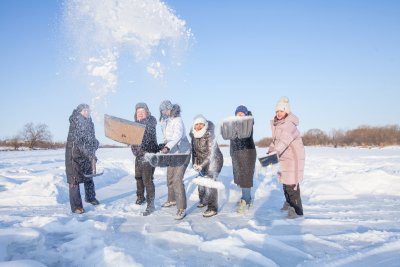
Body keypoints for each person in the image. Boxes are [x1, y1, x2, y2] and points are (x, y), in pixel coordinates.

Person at [267, 96, 305, 219]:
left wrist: (274, 153)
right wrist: (270, 151)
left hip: (293, 160)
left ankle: (298, 212)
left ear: (286, 112)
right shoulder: (279, 125)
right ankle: (289, 204)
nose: (279, 113)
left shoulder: (289, 125)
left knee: (292, 186)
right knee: (285, 183)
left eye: (281, 111)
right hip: (284, 158)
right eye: (277, 111)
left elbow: (283, 142)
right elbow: (276, 141)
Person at [65, 103, 100, 214]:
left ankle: (90, 197)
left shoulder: (90, 123)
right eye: (84, 110)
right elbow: (79, 142)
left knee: (88, 176)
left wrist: (95, 144)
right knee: (74, 180)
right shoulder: (76, 121)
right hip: (74, 154)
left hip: (86, 153)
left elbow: (91, 138)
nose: (86, 112)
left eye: (88, 110)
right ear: (79, 112)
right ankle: (76, 207)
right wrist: (89, 153)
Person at [159, 102, 191, 220]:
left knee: (177, 179)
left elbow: (177, 136)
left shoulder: (177, 120)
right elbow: (167, 137)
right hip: (173, 153)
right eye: (162, 111)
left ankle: (182, 208)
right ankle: (172, 200)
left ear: (170, 109)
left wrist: (167, 147)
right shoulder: (166, 122)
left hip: (183, 153)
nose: (164, 112)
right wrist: (164, 145)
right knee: (170, 177)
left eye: (165, 110)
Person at [189, 115, 223, 217]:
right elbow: (194, 152)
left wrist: (201, 165)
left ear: (205, 125)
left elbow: (211, 153)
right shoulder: (194, 136)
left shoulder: (209, 135)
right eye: (197, 124)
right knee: (201, 181)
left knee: (209, 182)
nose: (199, 126)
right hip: (203, 162)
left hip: (214, 160)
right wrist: (195, 163)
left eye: (201, 124)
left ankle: (212, 208)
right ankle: (203, 200)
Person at [131, 102, 159, 216]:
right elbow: (133, 141)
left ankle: (150, 204)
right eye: (138, 112)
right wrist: (136, 150)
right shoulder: (134, 125)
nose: (140, 114)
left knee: (147, 180)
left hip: (148, 156)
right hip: (138, 156)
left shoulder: (150, 123)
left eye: (142, 112)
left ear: (147, 112)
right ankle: (140, 197)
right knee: (138, 178)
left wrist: (145, 151)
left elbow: (148, 140)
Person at [230, 105, 257, 213]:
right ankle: (245, 197)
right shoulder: (234, 125)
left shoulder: (248, 123)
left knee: (246, 177)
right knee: (241, 177)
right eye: (238, 113)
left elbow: (244, 134)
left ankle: (246, 200)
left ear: (246, 114)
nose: (240, 115)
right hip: (237, 153)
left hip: (247, 152)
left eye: (242, 113)